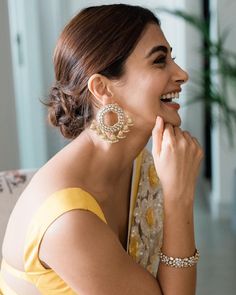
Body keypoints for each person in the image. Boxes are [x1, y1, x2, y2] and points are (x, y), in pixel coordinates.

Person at [0, 4, 203, 295]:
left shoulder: (143, 163)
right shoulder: (68, 220)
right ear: (102, 88)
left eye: (173, 58)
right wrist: (179, 198)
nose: (182, 74)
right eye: (160, 61)